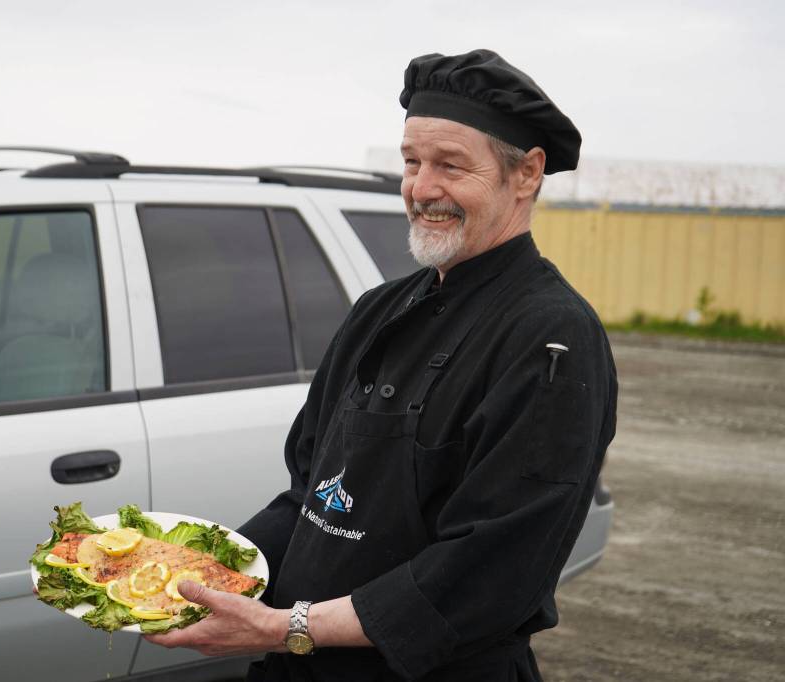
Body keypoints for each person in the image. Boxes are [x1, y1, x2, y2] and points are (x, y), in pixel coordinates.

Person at [144, 49, 618, 681]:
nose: (422, 189)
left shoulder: (552, 336)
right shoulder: (378, 310)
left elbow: (490, 568)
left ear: (526, 174)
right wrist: (192, 572)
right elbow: (312, 498)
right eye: (411, 162)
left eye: (450, 165)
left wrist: (289, 627)